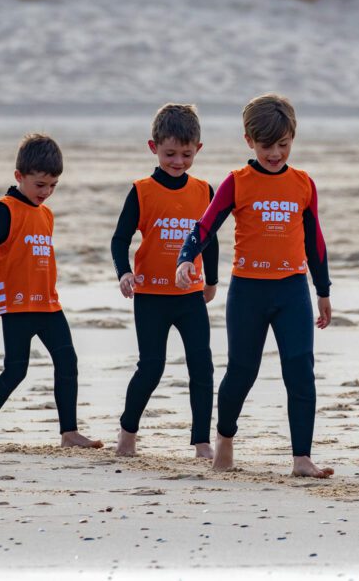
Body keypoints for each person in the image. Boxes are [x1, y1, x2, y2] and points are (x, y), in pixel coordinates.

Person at [176, 93, 333, 478]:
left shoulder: (302, 184)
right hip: (248, 290)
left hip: (292, 288)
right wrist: (185, 258)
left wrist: (323, 290)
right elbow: (206, 226)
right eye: (267, 146)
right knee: (242, 371)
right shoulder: (236, 182)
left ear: (292, 138)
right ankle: (225, 439)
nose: (276, 153)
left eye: (283, 144)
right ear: (249, 140)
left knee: (300, 369)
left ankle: (301, 458)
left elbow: (315, 240)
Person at [0, 133, 102, 450]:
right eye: (40, 185)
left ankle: (69, 433)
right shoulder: (6, 208)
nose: (46, 193)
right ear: (19, 176)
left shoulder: (46, 214)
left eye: (53, 186)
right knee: (16, 371)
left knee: (67, 362)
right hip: (17, 307)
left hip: (49, 305)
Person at [111, 104, 219, 459]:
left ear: (198, 150)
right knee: (151, 367)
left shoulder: (204, 191)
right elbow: (119, 239)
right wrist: (124, 272)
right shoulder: (141, 191)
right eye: (170, 153)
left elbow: (211, 239)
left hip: (189, 295)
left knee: (201, 366)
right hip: (151, 295)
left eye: (186, 154)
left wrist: (211, 282)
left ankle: (202, 443)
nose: (177, 161)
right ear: (153, 147)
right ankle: (127, 434)